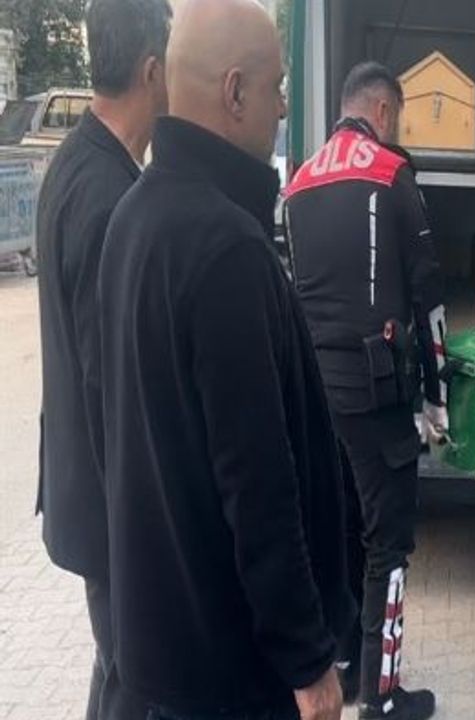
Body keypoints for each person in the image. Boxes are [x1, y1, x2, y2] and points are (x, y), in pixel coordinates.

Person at [96, 1, 354, 718]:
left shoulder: (133, 219)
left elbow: (110, 428)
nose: (283, 106)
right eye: (277, 87)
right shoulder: (226, 249)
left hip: (163, 653)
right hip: (234, 675)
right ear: (235, 92)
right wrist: (308, 663)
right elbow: (259, 482)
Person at [283, 61, 444, 720]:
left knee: (339, 530)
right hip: (377, 394)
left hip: (315, 395)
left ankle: (349, 667)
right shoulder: (392, 174)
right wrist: (438, 394)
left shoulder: (297, 183)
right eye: (396, 117)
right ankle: (383, 695)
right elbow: (428, 296)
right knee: (389, 542)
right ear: (382, 110)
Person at [33, 1, 170, 717]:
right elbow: (105, 380)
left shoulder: (74, 164)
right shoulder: (112, 198)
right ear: (152, 70)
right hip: (112, 508)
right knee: (137, 680)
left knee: (120, 671)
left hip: (86, 491)